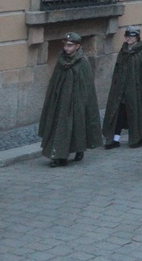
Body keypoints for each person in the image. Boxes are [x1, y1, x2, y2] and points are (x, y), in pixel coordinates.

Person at [39, 32, 102, 167]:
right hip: (61, 101)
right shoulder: (61, 61)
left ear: (77, 46)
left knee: (76, 126)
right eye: (65, 45)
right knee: (60, 127)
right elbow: (54, 82)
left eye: (70, 45)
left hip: (76, 101)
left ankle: (79, 148)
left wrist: (82, 101)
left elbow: (87, 86)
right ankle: (60, 157)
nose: (66, 48)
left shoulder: (83, 62)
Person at [102, 26, 142, 150]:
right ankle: (115, 139)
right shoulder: (123, 51)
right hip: (121, 90)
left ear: (137, 37)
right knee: (118, 113)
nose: (129, 39)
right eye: (127, 36)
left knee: (137, 113)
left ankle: (141, 136)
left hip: (136, 91)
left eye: (132, 36)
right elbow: (117, 70)